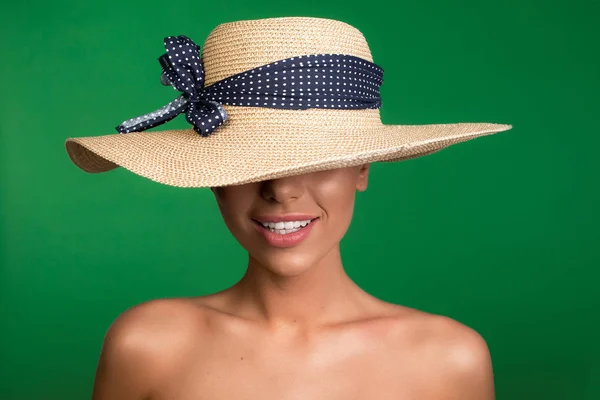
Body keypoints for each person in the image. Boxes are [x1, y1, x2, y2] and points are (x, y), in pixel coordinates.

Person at [65, 16, 511, 400]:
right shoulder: (147, 344)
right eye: (246, 163)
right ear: (212, 180)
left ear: (362, 170)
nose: (280, 190)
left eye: (318, 163)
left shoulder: (449, 360)